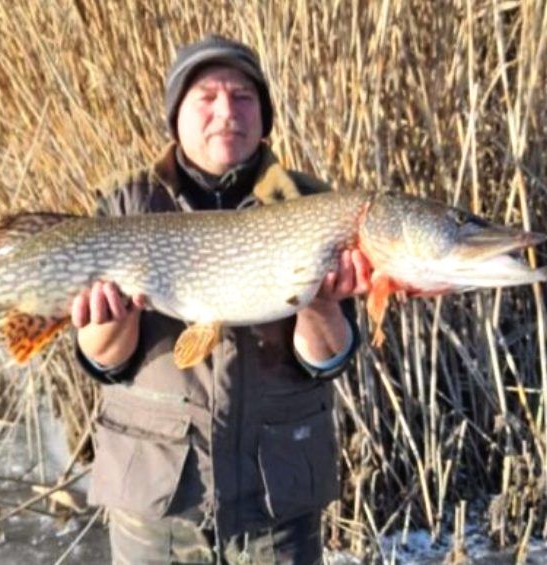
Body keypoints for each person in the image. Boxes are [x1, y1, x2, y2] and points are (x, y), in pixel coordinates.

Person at [70, 34, 372, 564]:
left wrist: (320, 304)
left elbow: (327, 361)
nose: (226, 112)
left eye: (243, 97)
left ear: (264, 113)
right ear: (176, 114)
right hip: (157, 503)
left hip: (276, 503)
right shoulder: (127, 204)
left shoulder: (313, 204)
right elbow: (105, 361)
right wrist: (108, 321)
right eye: (206, 97)